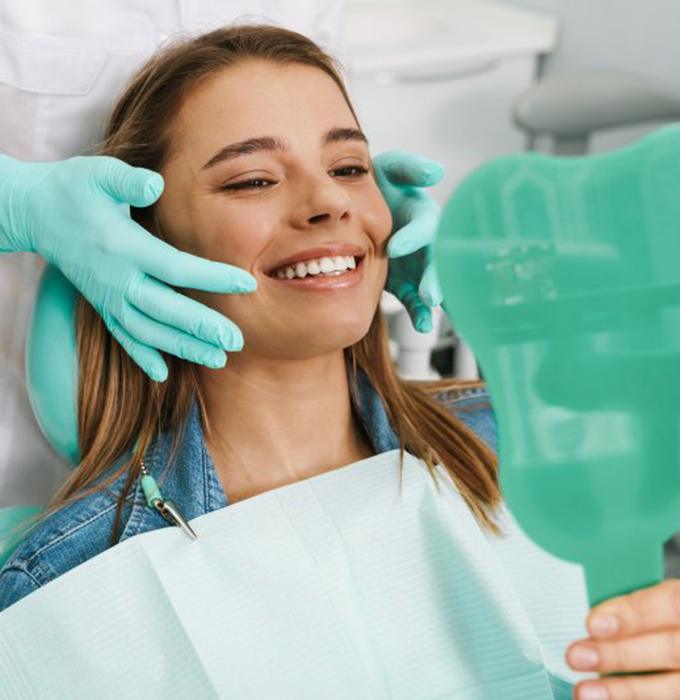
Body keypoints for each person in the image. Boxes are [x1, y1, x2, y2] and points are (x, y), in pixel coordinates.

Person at [0, 1, 443, 508]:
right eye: (253, 180)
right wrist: (19, 203)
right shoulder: (63, 566)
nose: (331, 203)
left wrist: (348, 191)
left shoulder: (494, 451)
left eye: (348, 170)